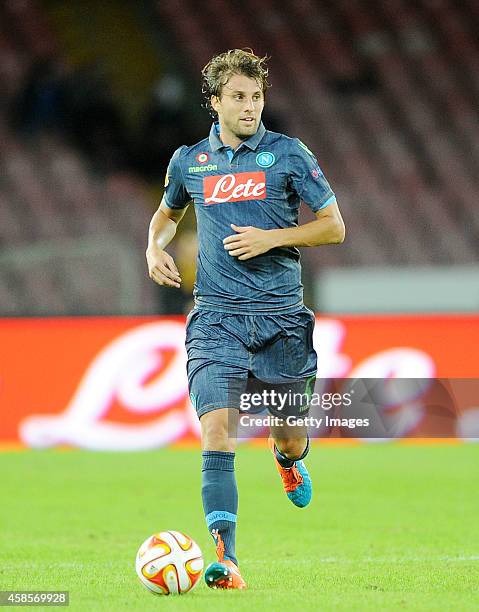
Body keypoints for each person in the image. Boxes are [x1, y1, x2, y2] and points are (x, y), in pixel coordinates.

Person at [146, 49, 345, 590]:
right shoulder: (189, 161)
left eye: (256, 97)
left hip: (281, 316)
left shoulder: (287, 155)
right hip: (217, 318)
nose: (250, 107)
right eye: (237, 97)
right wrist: (153, 248)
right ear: (214, 101)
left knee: (290, 437)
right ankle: (226, 558)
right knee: (217, 431)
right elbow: (165, 216)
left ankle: (288, 459)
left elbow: (333, 227)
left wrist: (272, 238)